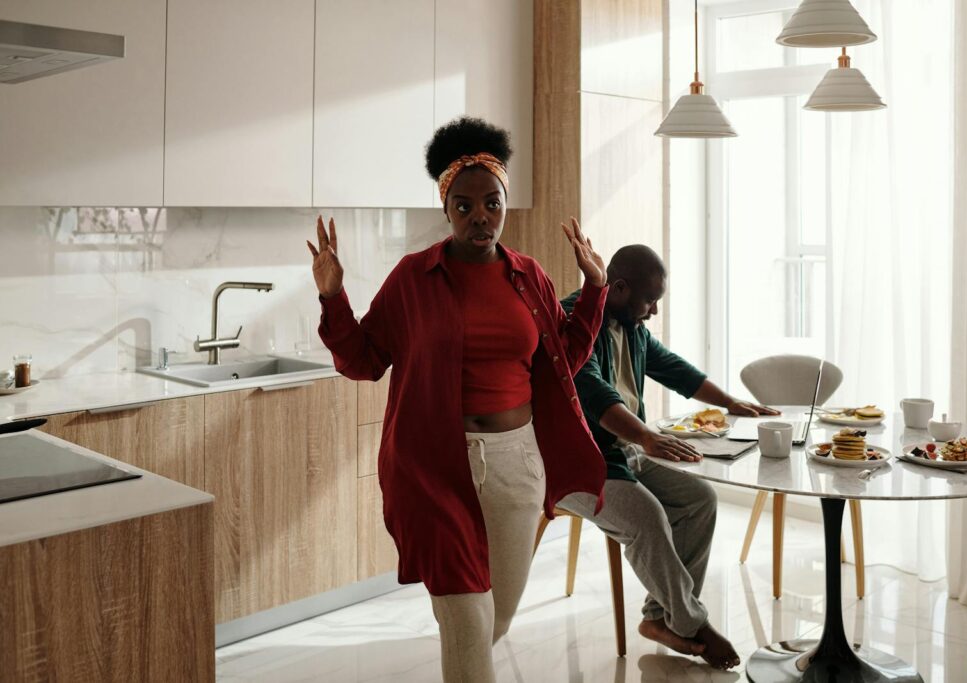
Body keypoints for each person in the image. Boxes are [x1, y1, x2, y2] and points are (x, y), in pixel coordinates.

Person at [307, 117, 610, 683]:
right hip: (435, 466)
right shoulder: (413, 278)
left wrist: (595, 290)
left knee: (492, 619)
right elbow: (363, 361)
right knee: (470, 623)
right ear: (446, 209)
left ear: (504, 204)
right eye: (464, 205)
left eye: (491, 203)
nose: (480, 217)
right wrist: (333, 297)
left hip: (518, 466)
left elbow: (559, 364)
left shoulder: (530, 277)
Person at [557, 244, 778, 671]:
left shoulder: (631, 324)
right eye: (650, 301)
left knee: (699, 500)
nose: (654, 311)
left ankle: (660, 619)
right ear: (618, 288)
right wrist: (645, 436)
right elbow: (590, 390)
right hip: (579, 464)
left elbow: (675, 369)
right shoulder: (575, 320)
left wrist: (731, 402)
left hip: (624, 453)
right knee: (647, 518)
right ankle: (692, 624)